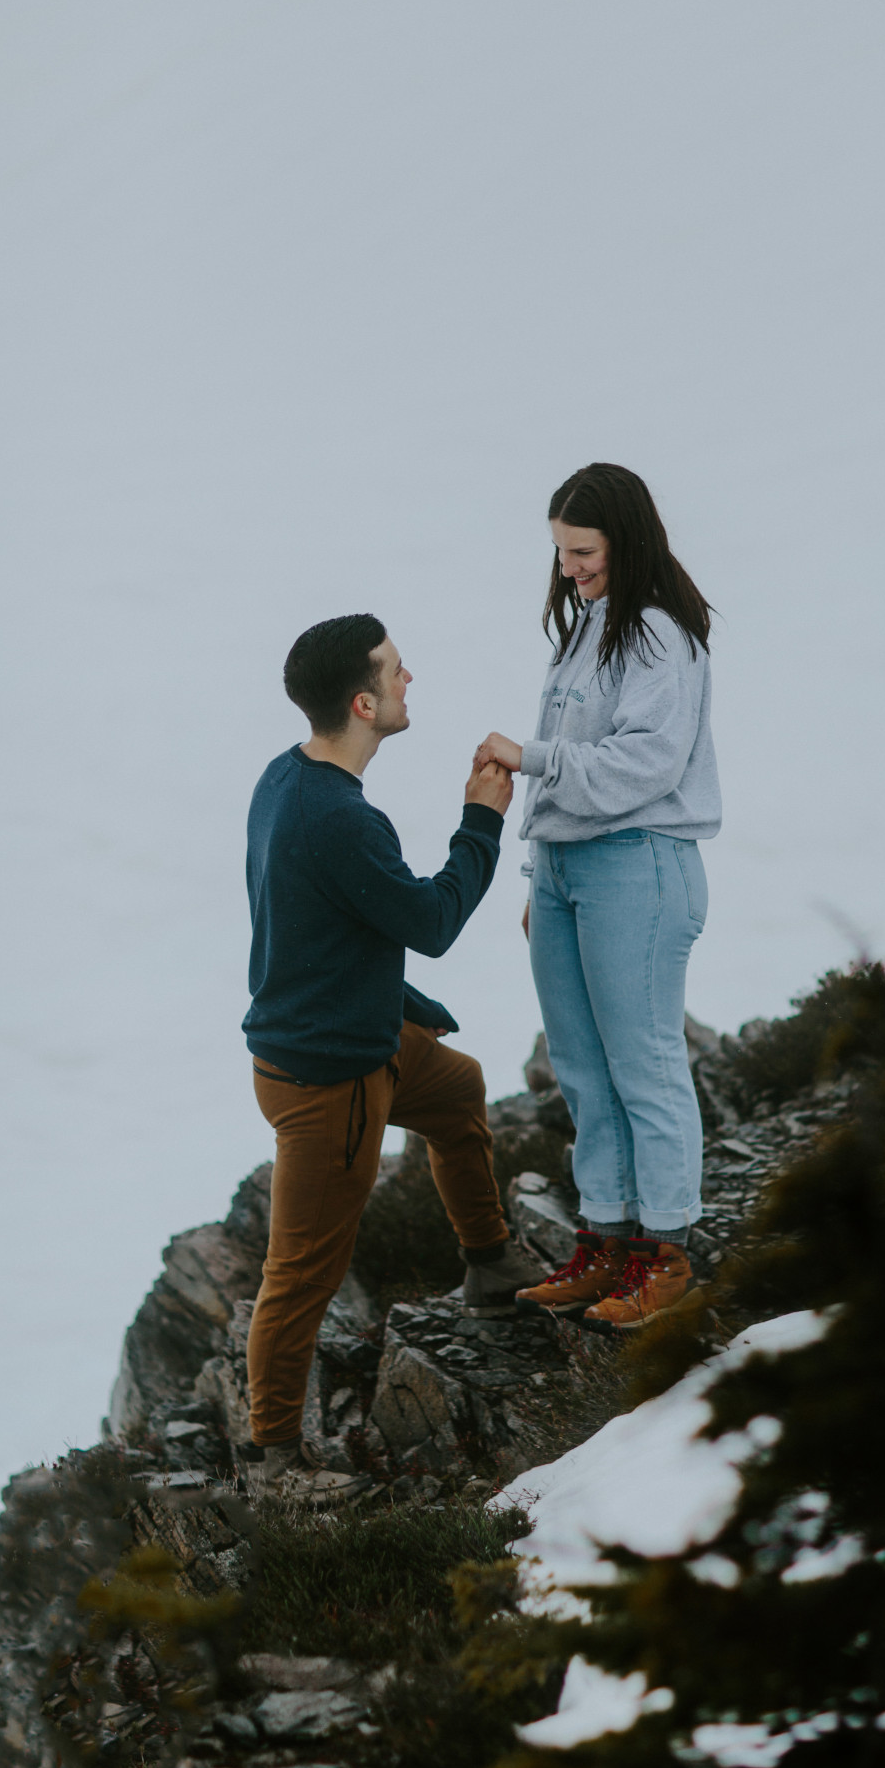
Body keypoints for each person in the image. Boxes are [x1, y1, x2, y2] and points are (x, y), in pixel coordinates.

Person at [242, 612, 542, 1495]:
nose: (413, 680)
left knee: (459, 1093)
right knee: (303, 1271)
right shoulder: (339, 819)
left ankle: (489, 1263)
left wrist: (396, 1002)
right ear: (364, 703)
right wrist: (481, 820)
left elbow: (311, 921)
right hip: (329, 1079)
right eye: (398, 672)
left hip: (355, 1035)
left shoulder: (284, 779)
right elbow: (431, 922)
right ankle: (274, 1462)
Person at [474, 464, 720, 1332]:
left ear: (626, 538)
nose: (570, 568)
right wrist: (543, 877)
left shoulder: (660, 636)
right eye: (561, 552)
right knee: (581, 1067)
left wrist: (530, 758)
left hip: (639, 864)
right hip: (573, 868)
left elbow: (645, 764)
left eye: (583, 551)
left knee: (644, 1061)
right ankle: (606, 1241)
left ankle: (667, 1251)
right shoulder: (588, 628)